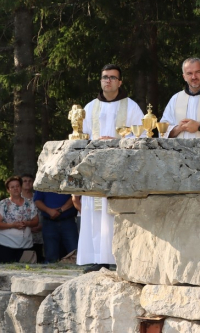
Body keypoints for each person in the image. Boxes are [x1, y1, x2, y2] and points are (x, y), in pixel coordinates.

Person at [76, 63, 144, 273]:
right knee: (94, 214)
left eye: (113, 78)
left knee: (113, 214)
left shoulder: (131, 107)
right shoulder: (89, 107)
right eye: (105, 77)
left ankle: (117, 258)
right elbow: (82, 136)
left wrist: (115, 140)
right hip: (95, 169)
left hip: (119, 169)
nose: (108, 81)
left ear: (120, 82)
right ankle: (97, 258)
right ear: (101, 80)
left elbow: (140, 135)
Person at [0, 176, 39, 263]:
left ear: (21, 187)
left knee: (26, 273)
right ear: (8, 190)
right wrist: (13, 225)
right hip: (5, 245)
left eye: (17, 186)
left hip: (26, 245)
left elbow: (36, 221)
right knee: (5, 273)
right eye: (12, 187)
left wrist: (27, 223)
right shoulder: (3, 204)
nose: (15, 189)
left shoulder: (30, 203)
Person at [34, 191, 78, 263]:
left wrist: (60, 210)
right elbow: (37, 201)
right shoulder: (43, 180)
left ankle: (78, 270)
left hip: (68, 221)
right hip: (49, 222)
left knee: (74, 251)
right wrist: (49, 211)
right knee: (51, 254)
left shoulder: (69, 180)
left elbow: (75, 197)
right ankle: (51, 271)